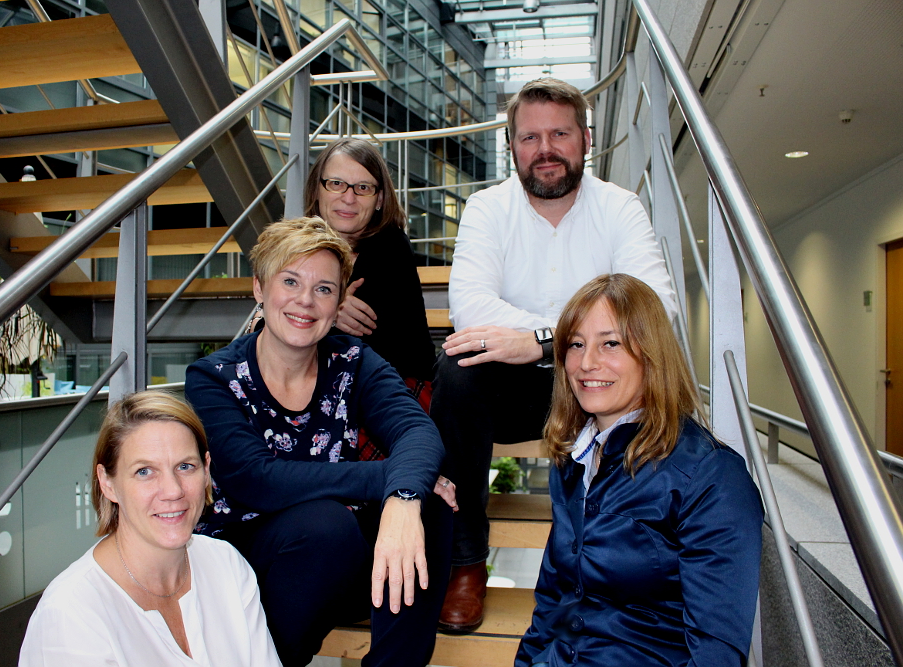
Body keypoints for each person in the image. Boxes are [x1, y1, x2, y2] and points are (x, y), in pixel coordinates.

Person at [432, 77, 678, 632]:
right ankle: (465, 562)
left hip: (602, 382)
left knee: (642, 365)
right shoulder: (487, 208)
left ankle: (619, 569)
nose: (545, 149)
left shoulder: (619, 207)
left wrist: (546, 340)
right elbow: (470, 307)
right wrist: (555, 337)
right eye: (529, 137)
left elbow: (656, 306)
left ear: (585, 139)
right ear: (512, 146)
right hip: (518, 391)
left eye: (559, 134)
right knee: (457, 366)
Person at [185, 217, 454, 667]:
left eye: (325, 289)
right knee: (326, 524)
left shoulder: (351, 359)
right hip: (251, 564)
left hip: (339, 559)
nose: (305, 301)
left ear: (339, 302)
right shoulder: (215, 378)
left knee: (430, 504)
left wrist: (405, 497)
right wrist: (388, 478)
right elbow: (257, 480)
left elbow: (417, 430)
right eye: (290, 281)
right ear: (259, 288)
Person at [516, 273, 763, 667]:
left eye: (610, 343)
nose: (586, 362)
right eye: (575, 345)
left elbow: (715, 654)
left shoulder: (712, 476)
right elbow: (554, 602)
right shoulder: (574, 458)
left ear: (650, 354)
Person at [19, 391, 281, 667]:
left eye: (185, 466)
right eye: (144, 471)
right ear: (107, 483)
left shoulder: (226, 565)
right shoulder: (72, 613)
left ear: (206, 470)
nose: (173, 490)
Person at [305, 138, 436, 452]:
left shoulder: (390, 247)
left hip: (390, 390)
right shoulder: (297, 246)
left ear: (379, 199)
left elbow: (356, 347)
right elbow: (269, 325)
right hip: (320, 387)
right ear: (318, 190)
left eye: (363, 188)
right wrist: (330, 306)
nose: (348, 198)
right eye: (336, 183)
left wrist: (315, 305)